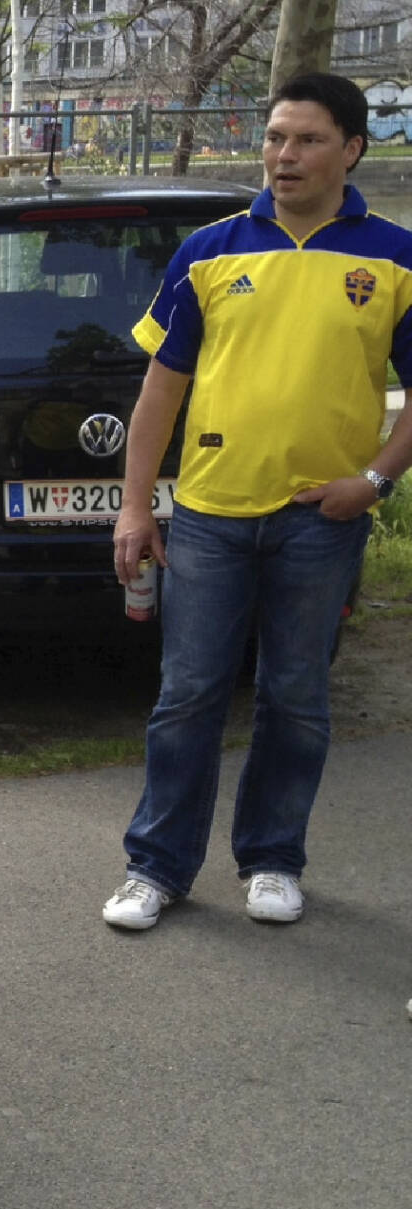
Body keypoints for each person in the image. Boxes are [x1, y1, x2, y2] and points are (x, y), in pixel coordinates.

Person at [102, 73, 412, 932]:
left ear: (352, 148)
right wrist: (136, 507)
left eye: (307, 140)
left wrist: (376, 480)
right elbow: (160, 392)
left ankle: (273, 859)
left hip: (325, 520)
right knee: (188, 693)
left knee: (296, 695)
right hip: (209, 514)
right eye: (276, 137)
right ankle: (156, 867)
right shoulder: (210, 249)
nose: (284, 155)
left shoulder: (395, 256)